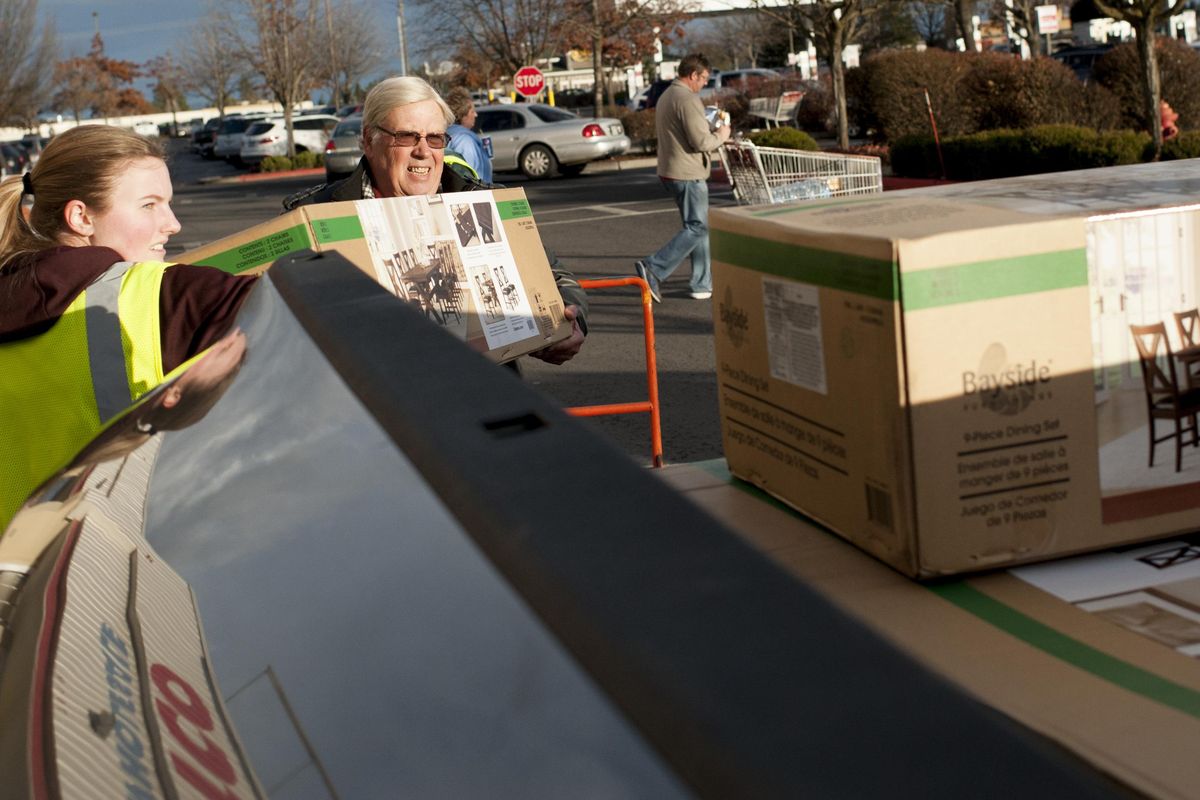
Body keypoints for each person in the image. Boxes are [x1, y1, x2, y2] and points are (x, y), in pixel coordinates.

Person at [0, 125, 257, 532]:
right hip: (113, 564)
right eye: (149, 205)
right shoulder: (161, 293)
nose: (172, 223)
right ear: (81, 217)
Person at [283, 76, 587, 366]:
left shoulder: (482, 202)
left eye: (435, 138)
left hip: (479, 398)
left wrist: (569, 322)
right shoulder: (313, 215)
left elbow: (555, 276)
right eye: (405, 136)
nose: (423, 151)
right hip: (369, 404)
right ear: (368, 140)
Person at [635, 53, 730, 302]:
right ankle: (654, 267)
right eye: (704, 79)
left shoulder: (668, 94)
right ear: (693, 75)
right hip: (688, 172)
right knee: (697, 227)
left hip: (672, 169)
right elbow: (700, 141)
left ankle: (701, 283)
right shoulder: (687, 98)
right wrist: (722, 134)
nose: (704, 84)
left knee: (697, 226)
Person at [445, 87, 493, 183]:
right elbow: (467, 178)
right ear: (463, 114)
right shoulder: (464, 141)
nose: (476, 115)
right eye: (472, 111)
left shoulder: (448, 134)